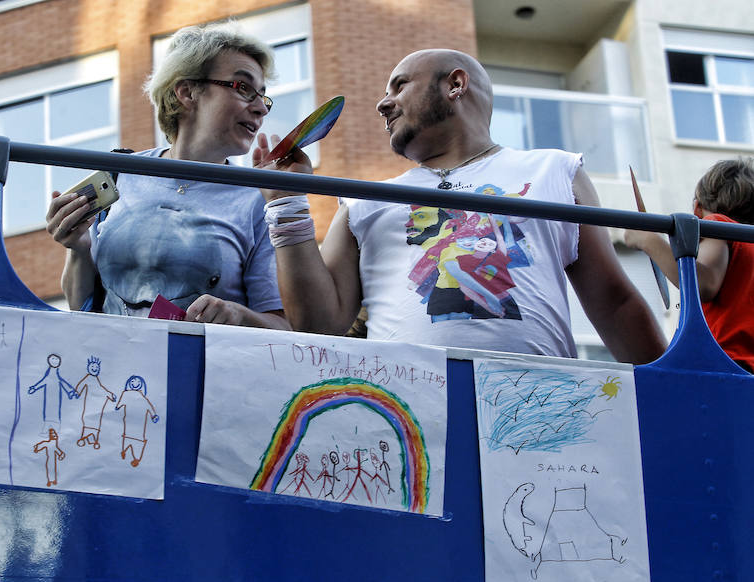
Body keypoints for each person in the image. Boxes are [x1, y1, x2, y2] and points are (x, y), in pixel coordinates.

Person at [254, 49, 666, 364]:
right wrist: (286, 205)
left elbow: (614, 303)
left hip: (539, 408)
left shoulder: (554, 171)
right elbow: (317, 325)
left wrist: (673, 392)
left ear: (455, 84)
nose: (383, 104)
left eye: (399, 86)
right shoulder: (364, 203)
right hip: (410, 411)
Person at [45, 23, 288, 329]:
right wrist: (78, 248)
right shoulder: (121, 173)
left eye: (263, 97)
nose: (260, 108)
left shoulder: (260, 200)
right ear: (187, 92)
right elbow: (81, 309)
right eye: (243, 88)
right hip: (111, 358)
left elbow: (285, 328)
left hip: (201, 361)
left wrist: (238, 315)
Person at [624, 158, 754, 373]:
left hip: (726, 366)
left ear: (697, 208)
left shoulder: (717, 224)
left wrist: (648, 239)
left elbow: (703, 283)